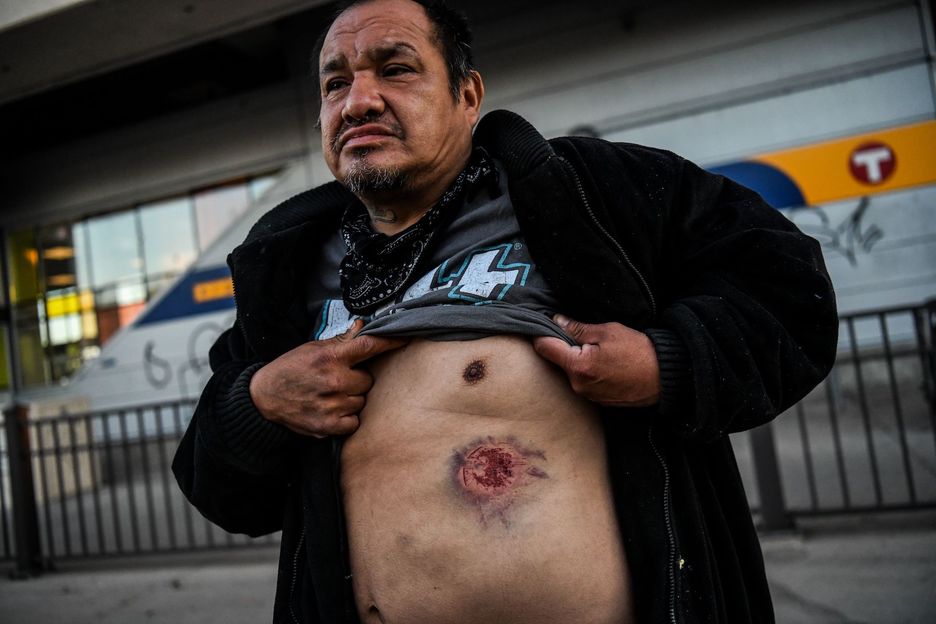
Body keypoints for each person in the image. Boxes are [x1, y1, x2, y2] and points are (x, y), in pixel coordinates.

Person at [173, 0, 838, 622]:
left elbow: (789, 290)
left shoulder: (595, 194)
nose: (359, 101)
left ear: (467, 97)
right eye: (334, 84)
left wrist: (667, 363)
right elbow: (227, 494)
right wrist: (258, 403)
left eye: (396, 69)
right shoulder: (282, 270)